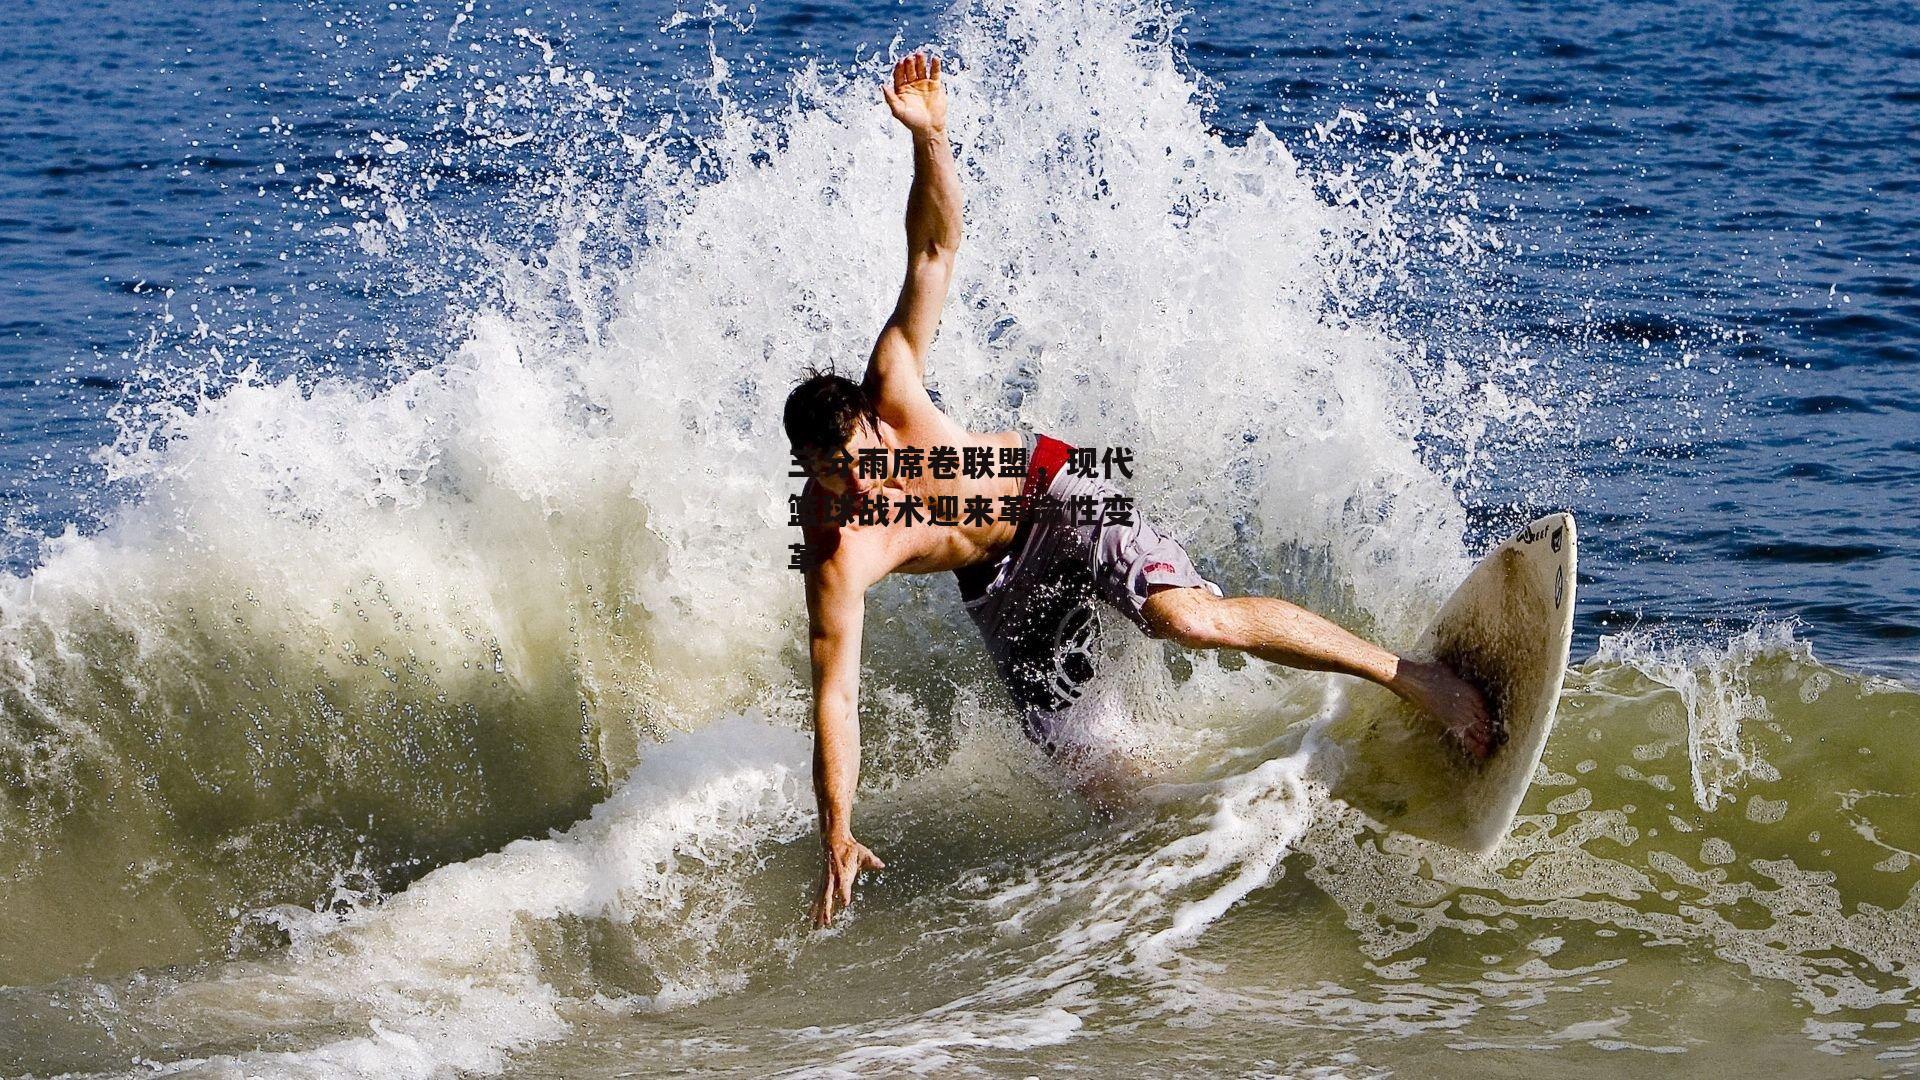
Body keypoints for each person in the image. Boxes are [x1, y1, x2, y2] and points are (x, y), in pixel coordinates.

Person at [785, 52, 1496, 928]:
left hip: (1052, 494)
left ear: (872, 423)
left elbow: (933, 247)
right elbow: (837, 698)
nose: (864, 488)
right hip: (1000, 591)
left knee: (1186, 619)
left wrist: (931, 140)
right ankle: (1245, 854)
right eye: (838, 480)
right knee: (1106, 790)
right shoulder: (836, 551)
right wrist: (839, 830)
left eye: (866, 461)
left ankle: (1412, 677)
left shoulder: (893, 381)